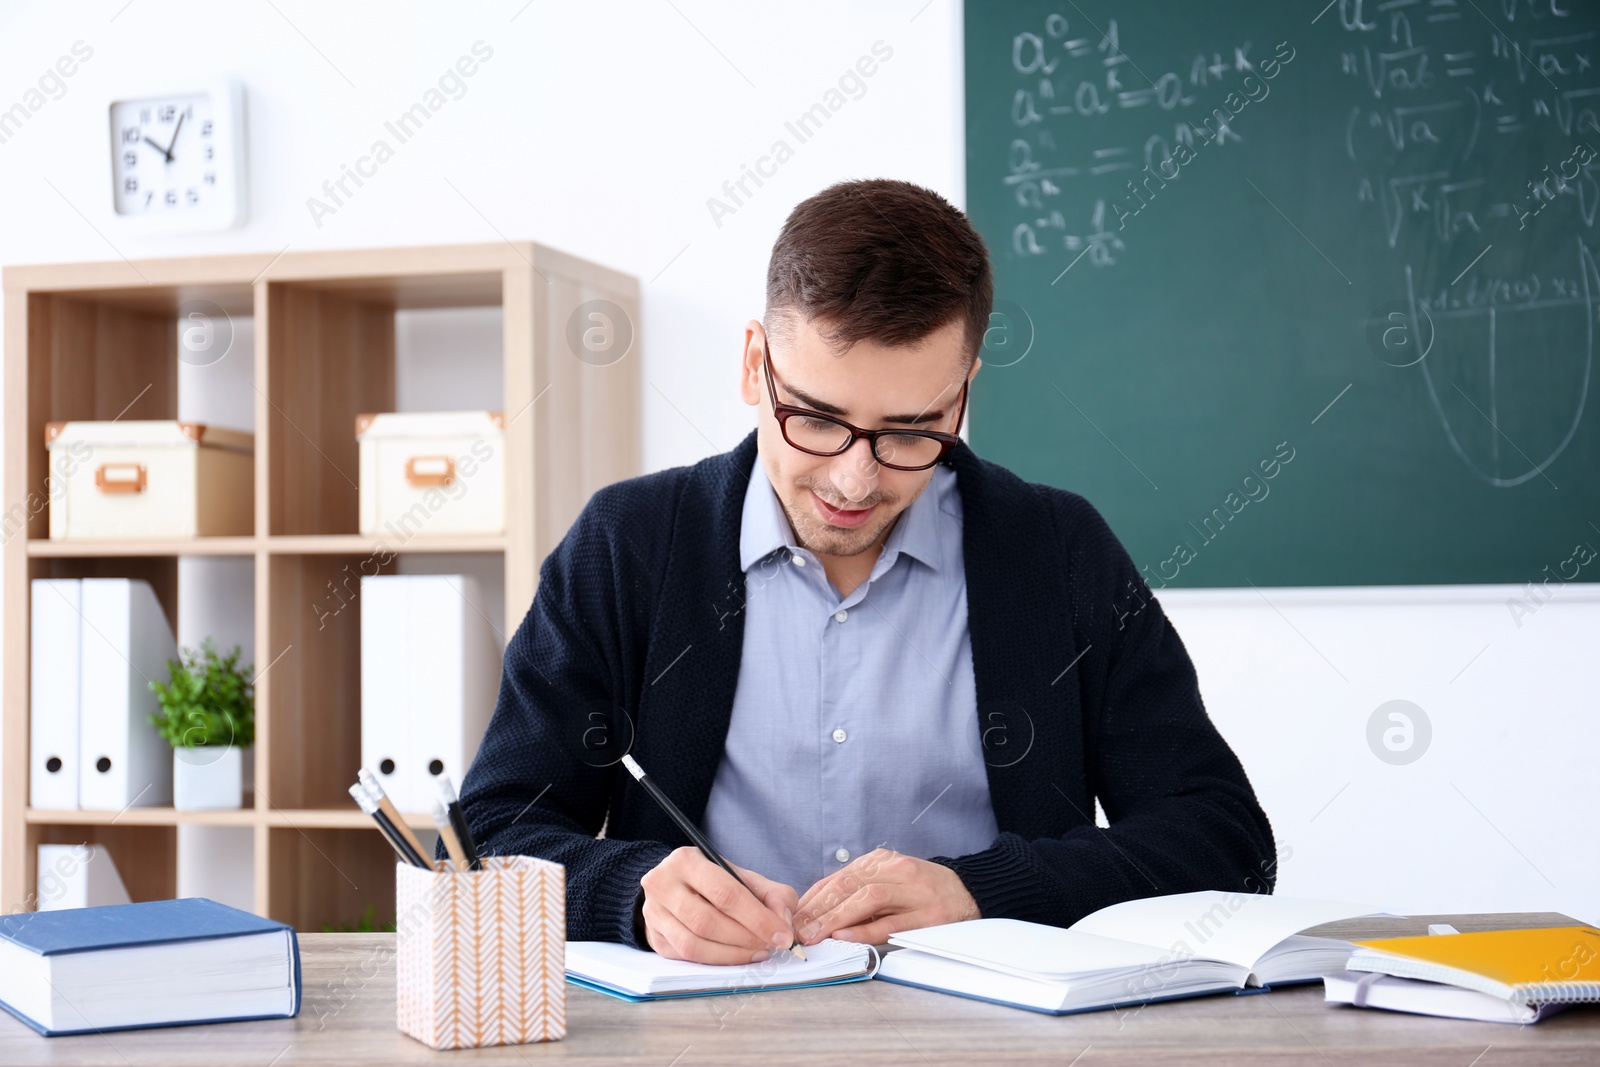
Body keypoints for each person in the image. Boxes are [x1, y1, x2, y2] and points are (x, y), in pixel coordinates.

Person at [448, 178, 1276, 965]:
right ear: (753, 366)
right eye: (815, 418)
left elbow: (1225, 841)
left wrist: (981, 891)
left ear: (961, 398)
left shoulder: (1058, 550)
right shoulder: (628, 543)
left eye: (910, 431)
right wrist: (629, 892)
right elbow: (488, 831)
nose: (854, 481)